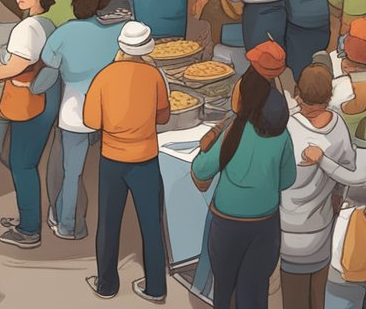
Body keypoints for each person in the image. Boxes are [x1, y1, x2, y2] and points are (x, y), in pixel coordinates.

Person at [192, 66, 294, 309]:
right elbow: (287, 180)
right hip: (266, 224)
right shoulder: (282, 136)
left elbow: (200, 170)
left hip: (227, 223)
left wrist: (204, 148)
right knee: (255, 290)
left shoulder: (233, 130)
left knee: (224, 288)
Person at [81, 22, 168, 303]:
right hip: (146, 158)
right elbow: (163, 116)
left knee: (108, 223)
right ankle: (156, 287)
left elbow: (90, 121)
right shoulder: (154, 75)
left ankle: (106, 284)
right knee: (152, 225)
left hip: (113, 159)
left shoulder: (104, 77)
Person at [39, 0, 125, 241]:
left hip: (75, 113)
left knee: (72, 172)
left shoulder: (65, 33)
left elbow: (47, 70)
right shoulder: (121, 30)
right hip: (112, 111)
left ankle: (68, 225)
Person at [0, 0, 59, 250]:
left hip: (30, 100)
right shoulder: (44, 24)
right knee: (16, 157)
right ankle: (26, 215)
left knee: (22, 163)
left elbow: (16, 65)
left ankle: (29, 229)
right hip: (43, 96)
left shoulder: (28, 28)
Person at [282, 64, 354, 309]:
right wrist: (336, 194)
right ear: (330, 96)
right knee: (317, 299)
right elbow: (348, 170)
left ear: (297, 92)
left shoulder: (289, 127)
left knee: (294, 299)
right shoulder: (339, 126)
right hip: (322, 227)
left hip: (288, 231)